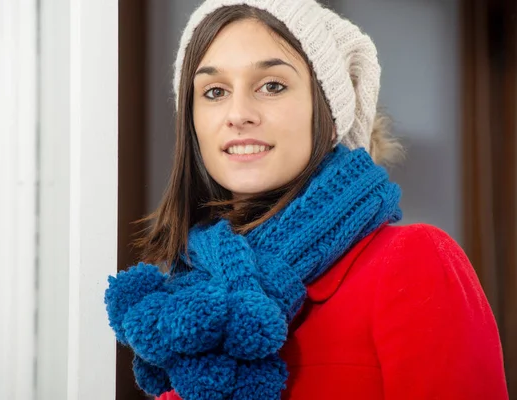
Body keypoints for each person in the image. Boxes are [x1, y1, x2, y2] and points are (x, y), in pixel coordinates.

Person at [104, 0, 509, 399]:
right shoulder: (189, 300)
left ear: (330, 117)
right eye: (214, 91)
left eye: (272, 86)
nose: (238, 113)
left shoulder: (412, 262)